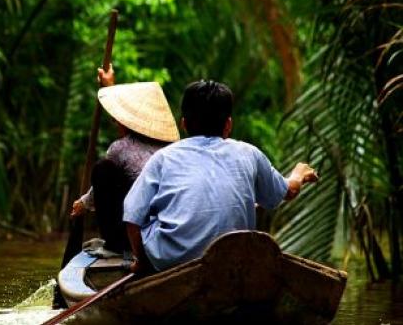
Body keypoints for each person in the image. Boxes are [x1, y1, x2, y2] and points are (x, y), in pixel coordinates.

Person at [123, 80, 318, 273]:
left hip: (172, 262)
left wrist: (142, 263)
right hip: (234, 258)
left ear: (184, 124)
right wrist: (299, 173)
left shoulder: (163, 157)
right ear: (228, 125)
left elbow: (132, 215)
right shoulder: (249, 153)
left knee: (149, 216)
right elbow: (289, 191)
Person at [71, 66, 180, 253]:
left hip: (135, 238)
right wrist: (109, 85)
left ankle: (114, 245)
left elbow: (96, 193)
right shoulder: (175, 148)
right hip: (174, 232)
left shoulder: (120, 148)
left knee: (103, 169)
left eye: (118, 120)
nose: (115, 123)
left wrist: (81, 205)